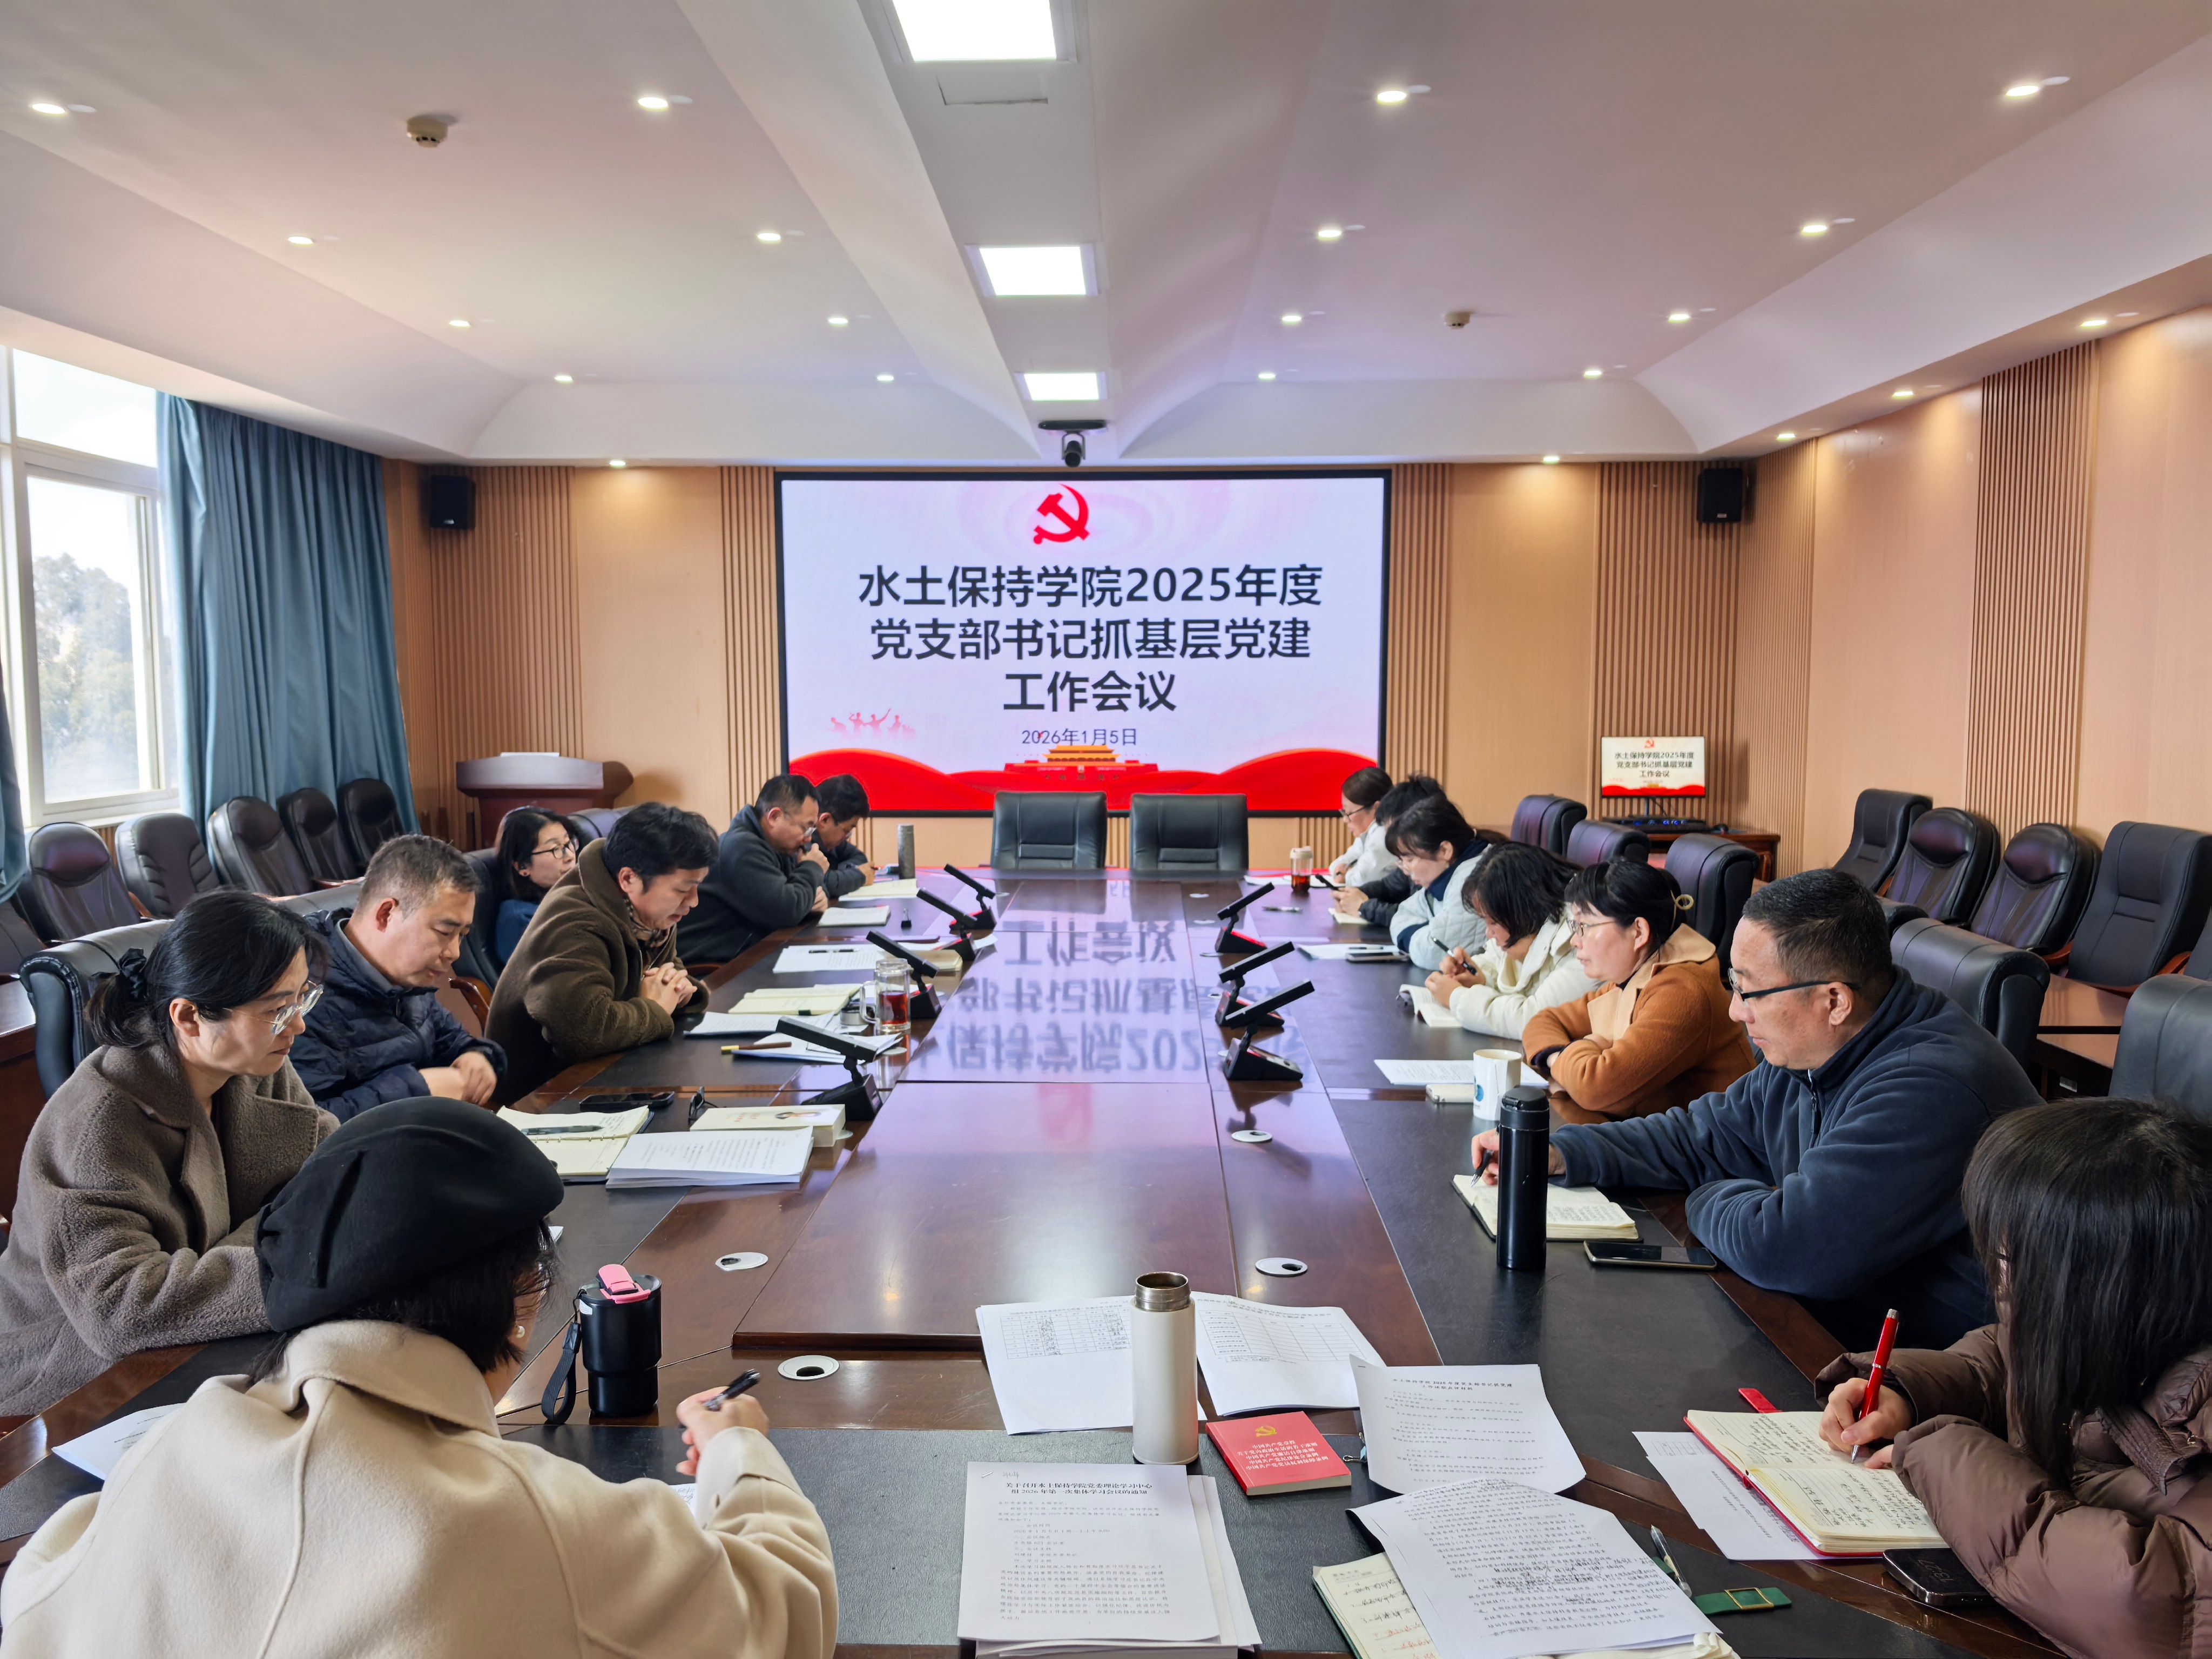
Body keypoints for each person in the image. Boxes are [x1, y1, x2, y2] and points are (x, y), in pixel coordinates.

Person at [0, 1099, 838, 1656]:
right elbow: (786, 1612)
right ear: (519, 1301)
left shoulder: (175, 1450)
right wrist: (739, 1454)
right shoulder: (531, 1518)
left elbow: (35, 1598)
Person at [1475, 868, 2039, 1348]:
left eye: (1750, 991)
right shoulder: (1815, 1049)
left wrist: (1705, 1197)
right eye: (1734, 984)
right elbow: (1701, 1136)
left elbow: (1790, 1247)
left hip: (1929, 1379)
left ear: (1834, 1000)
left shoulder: (1928, 1087)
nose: (1734, 1011)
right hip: (1828, 1331)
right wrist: (1559, 1151)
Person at [1817, 1100, 2212, 1659]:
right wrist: (1910, 1393)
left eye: (2016, 1257)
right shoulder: (2120, 1328)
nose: (1998, 1273)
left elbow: (2150, 1601)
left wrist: (1940, 1453)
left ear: (2107, 1281)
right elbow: (2008, 1354)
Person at [0, 892, 334, 1416]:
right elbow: (123, 1313)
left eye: (301, 999)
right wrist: (292, 1253)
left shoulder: (255, 1064)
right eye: (277, 1010)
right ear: (190, 1016)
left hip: (206, 1325)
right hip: (70, 1366)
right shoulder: (97, 1125)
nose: (298, 1026)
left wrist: (216, 1265)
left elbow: (329, 1176)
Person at [488, 802, 713, 1103]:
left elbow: (666, 977)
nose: (694, 901)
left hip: (614, 1073)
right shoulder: (575, 920)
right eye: (684, 890)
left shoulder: (647, 913)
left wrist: (682, 993)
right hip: (545, 1096)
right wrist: (656, 1008)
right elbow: (581, 1032)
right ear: (629, 879)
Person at [1515, 856, 1751, 1120]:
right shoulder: (1633, 976)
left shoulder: (1682, 990)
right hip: (1660, 1135)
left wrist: (1574, 1056)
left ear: (1638, 932)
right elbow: (1543, 1021)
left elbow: (1597, 1088)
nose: (1574, 941)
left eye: (1585, 926)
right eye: (1575, 926)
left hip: (1714, 1142)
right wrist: (1568, 1056)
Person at [291, 835, 507, 1121]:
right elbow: (308, 1126)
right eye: (445, 932)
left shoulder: (407, 978)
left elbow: (452, 1041)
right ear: (386, 914)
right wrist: (416, 1091)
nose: (454, 953)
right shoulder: (302, 994)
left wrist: (476, 1056)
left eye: (462, 935)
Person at [1422, 842, 1597, 1038]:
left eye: (1493, 922)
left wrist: (1457, 998)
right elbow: (1498, 963)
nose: (1489, 933)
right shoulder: (1529, 930)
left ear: (1523, 912)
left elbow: (1535, 1020)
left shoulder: (1583, 938)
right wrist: (1480, 977)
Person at [680, 775, 831, 965]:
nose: (808, 839)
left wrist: (815, 899)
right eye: (806, 828)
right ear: (774, 817)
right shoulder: (741, 848)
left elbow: (808, 894)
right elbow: (787, 910)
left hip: (754, 952)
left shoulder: (782, 846)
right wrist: (813, 867)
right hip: (716, 967)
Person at [1382, 794, 1496, 969]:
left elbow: (1433, 953)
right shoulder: (1443, 878)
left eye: (1410, 859)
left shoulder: (1475, 880)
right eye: (1402, 861)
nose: (1405, 869)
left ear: (1445, 851)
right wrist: (1425, 932)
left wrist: (1422, 932)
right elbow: (1403, 913)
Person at [1332, 775, 1442, 927]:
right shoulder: (1417, 856)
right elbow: (1389, 886)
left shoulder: (1443, 867)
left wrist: (1363, 907)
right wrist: (1352, 895)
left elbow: (1418, 919)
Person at [492, 807, 579, 968]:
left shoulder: (570, 893)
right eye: (556, 849)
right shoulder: (520, 920)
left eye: (568, 843)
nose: (570, 856)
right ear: (522, 867)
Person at [812, 774, 877, 902]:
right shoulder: (802, 838)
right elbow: (827, 884)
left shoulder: (831, 841)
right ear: (825, 820)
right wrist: (860, 876)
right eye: (847, 830)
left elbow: (860, 858)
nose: (847, 837)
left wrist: (839, 875)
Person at [1327, 766, 1395, 886]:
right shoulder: (1368, 832)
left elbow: (1360, 880)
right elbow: (1339, 863)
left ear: (1377, 808)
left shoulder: (1384, 833)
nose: (1345, 820)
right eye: (1344, 812)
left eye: (1349, 813)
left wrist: (1346, 875)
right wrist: (1343, 872)